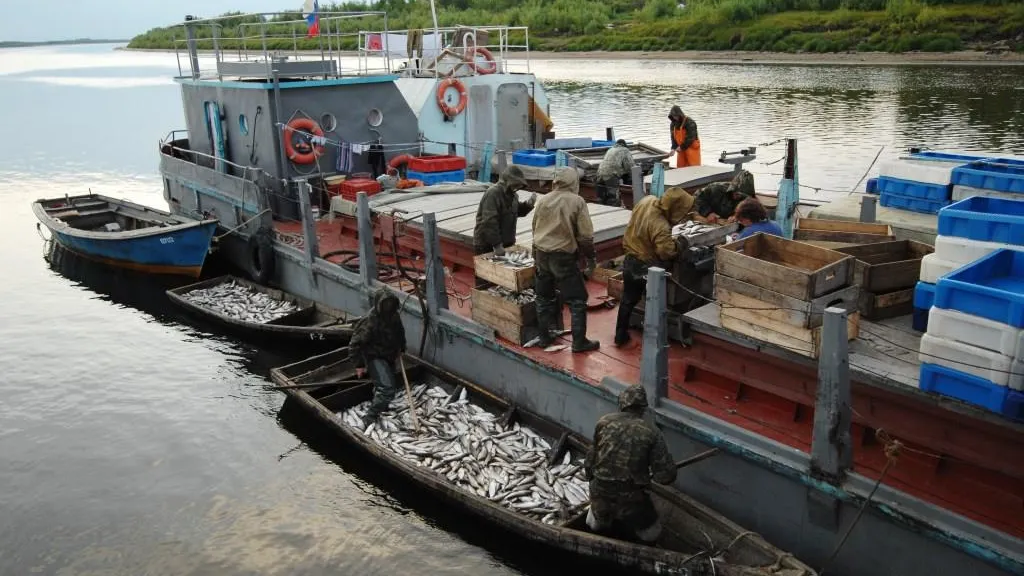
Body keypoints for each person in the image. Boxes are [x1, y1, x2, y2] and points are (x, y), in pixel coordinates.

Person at [583, 384, 677, 544]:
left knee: (593, 523)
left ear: (622, 404)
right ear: (643, 408)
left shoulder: (603, 422)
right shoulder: (652, 432)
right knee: (652, 534)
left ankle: (600, 526)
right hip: (632, 500)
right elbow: (665, 478)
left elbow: (588, 465)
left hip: (601, 492)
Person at [614, 187, 695, 347]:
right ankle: (655, 340)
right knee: (655, 301)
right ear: (675, 207)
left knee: (628, 300)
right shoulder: (661, 225)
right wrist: (681, 244)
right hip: (645, 265)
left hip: (630, 258)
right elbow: (666, 252)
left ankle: (620, 334)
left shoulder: (647, 200)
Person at [531, 167, 600, 353]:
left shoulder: (543, 200)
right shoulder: (577, 201)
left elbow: (534, 228)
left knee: (543, 298)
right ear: (573, 182)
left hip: (541, 254)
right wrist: (591, 258)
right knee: (578, 299)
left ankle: (544, 337)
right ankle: (579, 342)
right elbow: (585, 237)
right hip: (562, 258)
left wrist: (534, 255)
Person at [349, 287, 407, 426]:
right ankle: (369, 418)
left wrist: (402, 348)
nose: (388, 306)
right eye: (385, 303)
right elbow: (354, 344)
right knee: (387, 389)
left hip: (390, 355)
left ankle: (382, 405)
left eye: (391, 303)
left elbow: (400, 333)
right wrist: (359, 365)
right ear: (378, 304)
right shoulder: (370, 321)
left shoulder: (394, 316)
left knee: (383, 385)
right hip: (374, 356)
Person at [473, 165, 535, 256]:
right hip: (487, 245)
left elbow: (516, 210)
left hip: (506, 243)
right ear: (508, 182)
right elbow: (489, 221)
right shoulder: (493, 193)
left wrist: (528, 205)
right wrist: (497, 244)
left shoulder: (513, 196)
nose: (517, 187)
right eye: (515, 184)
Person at [594, 139, 635, 207]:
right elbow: (630, 166)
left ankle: (601, 212)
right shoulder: (625, 150)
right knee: (613, 198)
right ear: (624, 145)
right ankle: (613, 214)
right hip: (611, 175)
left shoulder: (610, 149)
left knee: (600, 198)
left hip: (599, 174)